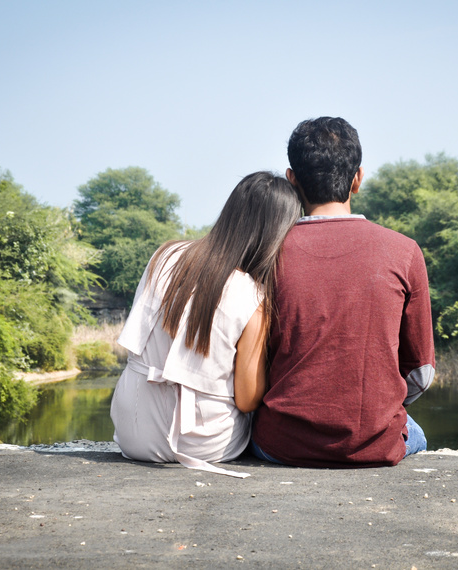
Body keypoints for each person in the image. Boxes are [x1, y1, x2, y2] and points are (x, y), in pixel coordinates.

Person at [251, 117, 436, 468]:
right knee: (418, 434)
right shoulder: (405, 250)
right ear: (357, 179)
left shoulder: (266, 253)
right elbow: (420, 373)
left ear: (292, 180)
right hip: (375, 444)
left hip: (280, 444)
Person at [111, 171, 301, 478]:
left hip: (134, 431)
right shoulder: (253, 296)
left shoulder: (165, 255)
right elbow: (248, 398)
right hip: (203, 444)